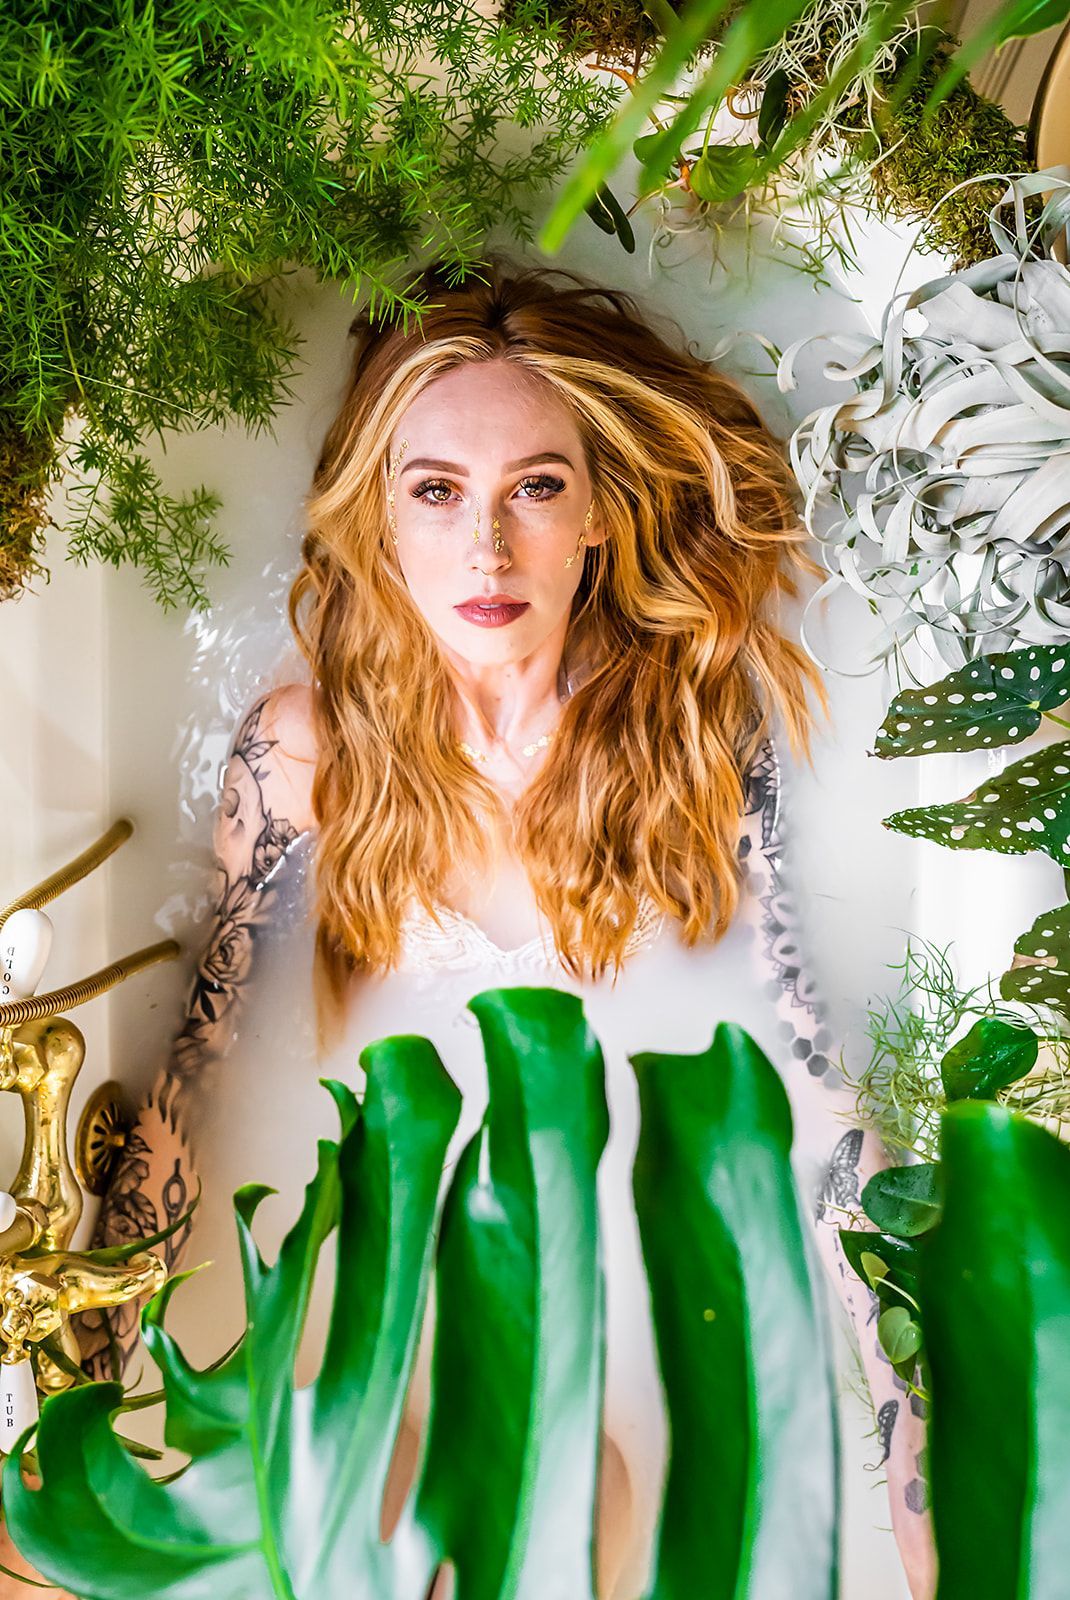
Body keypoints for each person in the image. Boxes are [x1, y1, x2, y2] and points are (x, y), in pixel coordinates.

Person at [59, 254, 936, 1599]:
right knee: (417, 1542)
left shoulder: (688, 736)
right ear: (379, 517)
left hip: (638, 1277)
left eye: (535, 486)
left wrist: (919, 1431)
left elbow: (809, 1083)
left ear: (594, 513)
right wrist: (68, 1434)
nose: (487, 550)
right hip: (378, 1283)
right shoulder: (305, 756)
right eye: (437, 492)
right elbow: (199, 1076)